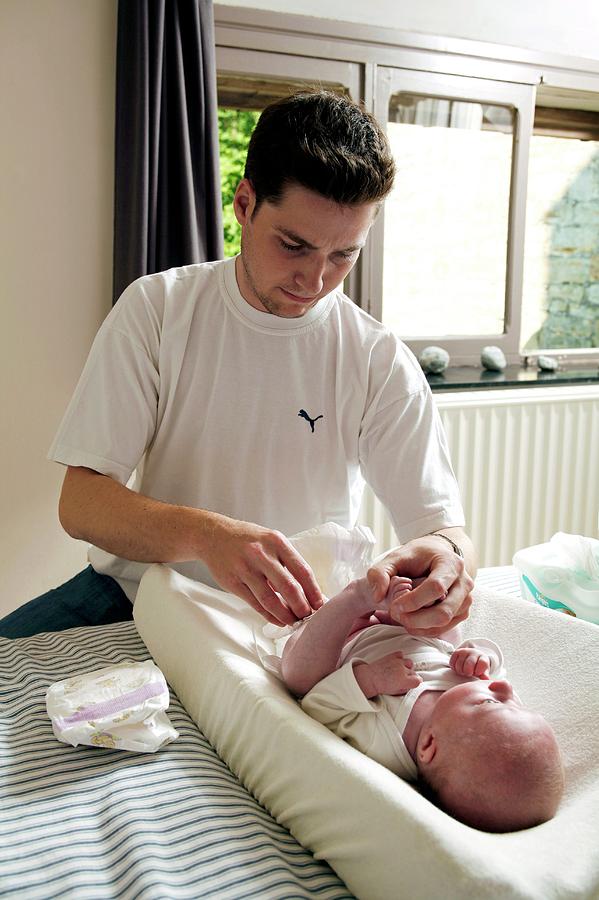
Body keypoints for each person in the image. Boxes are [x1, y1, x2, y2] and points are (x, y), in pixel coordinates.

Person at [1, 90, 475, 639]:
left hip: (290, 618)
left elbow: (444, 530)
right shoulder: (158, 309)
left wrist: (447, 562)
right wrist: (208, 538)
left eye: (344, 254)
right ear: (245, 203)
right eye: (294, 245)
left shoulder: (377, 357)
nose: (315, 281)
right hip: (136, 592)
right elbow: (82, 504)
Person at [280, 575, 565, 833]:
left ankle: (354, 597)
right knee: (447, 628)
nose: (505, 688)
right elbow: (496, 669)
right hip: (408, 630)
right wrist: (480, 656)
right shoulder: (473, 696)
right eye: (518, 704)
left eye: (490, 702)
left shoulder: (386, 741)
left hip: (344, 643)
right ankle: (394, 599)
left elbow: (318, 706)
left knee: (299, 678)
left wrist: (369, 680)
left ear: (429, 745)